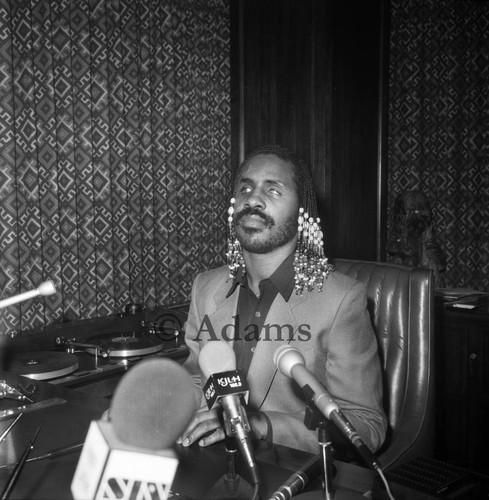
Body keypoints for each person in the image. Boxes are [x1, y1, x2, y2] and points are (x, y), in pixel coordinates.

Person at [178, 145, 387, 457]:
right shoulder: (206, 288)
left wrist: (260, 424)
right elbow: (196, 380)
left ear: (302, 211)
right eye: (245, 187)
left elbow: (366, 427)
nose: (253, 199)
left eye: (272, 189)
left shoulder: (341, 300)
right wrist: (150, 410)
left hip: (291, 467)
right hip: (213, 461)